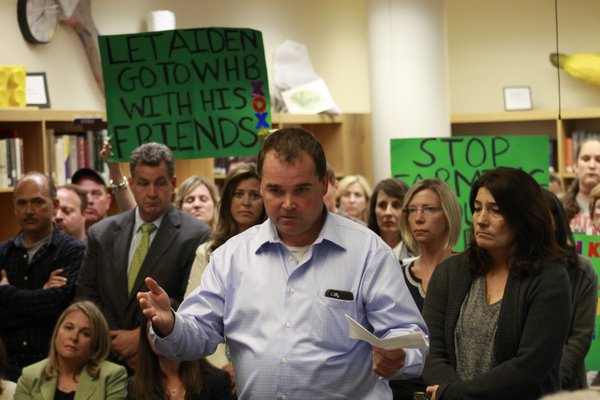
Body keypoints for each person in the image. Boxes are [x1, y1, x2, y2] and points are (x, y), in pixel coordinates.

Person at [137, 127, 429, 399]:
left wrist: (399, 355)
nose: (288, 203)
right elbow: (198, 334)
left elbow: (408, 334)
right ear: (262, 186)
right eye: (276, 190)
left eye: (301, 190)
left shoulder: (368, 252)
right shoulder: (232, 257)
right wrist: (170, 324)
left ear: (324, 184)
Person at [423, 167, 572, 400]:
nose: (481, 220)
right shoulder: (449, 272)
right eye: (477, 209)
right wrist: (455, 393)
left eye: (496, 210)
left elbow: (529, 368)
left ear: (524, 217)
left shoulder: (550, 279)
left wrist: (456, 394)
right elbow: (431, 352)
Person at [76, 142, 211, 370]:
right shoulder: (101, 233)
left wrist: (141, 338)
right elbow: (86, 295)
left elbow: (192, 301)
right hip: (105, 358)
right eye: (143, 183)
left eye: (160, 183)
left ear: (173, 184)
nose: (151, 193)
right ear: (131, 184)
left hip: (165, 362)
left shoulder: (196, 235)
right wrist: (110, 339)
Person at [0, 172, 85, 381]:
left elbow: (58, 305)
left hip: (56, 368)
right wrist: (41, 296)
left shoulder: (73, 251)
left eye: (38, 202)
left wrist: (5, 292)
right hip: (8, 367)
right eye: (22, 203)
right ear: (15, 208)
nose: (29, 211)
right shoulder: (2, 252)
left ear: (54, 205)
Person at [391, 179, 462, 399]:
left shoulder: (470, 272)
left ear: (449, 215)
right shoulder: (396, 274)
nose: (418, 218)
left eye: (429, 209)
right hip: (402, 388)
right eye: (412, 210)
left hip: (454, 388)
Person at [14, 301, 127, 399]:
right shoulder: (30, 375)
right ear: (57, 332)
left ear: (96, 344)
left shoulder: (112, 376)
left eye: (85, 333)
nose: (73, 337)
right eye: (68, 328)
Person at [544, 189, 598, 390]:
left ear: (556, 221)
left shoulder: (580, 270)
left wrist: (553, 383)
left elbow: (580, 337)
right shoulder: (510, 265)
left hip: (566, 387)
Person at [129, 315, 233, 400]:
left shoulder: (217, 381)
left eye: (163, 328)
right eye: (151, 330)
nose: (158, 336)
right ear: (145, 337)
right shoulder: (135, 386)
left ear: (182, 332)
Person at [562, 139, 600, 234]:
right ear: (575, 166)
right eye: (586, 159)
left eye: (599, 160)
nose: (592, 165)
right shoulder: (559, 208)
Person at [367, 178, 411, 261]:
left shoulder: (419, 253)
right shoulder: (364, 251)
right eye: (382, 205)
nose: (388, 212)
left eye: (396, 205)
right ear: (374, 210)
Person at [71, 167, 113, 231]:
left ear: (108, 201)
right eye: (82, 195)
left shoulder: (121, 235)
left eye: (96, 194)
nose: (89, 200)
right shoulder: (62, 238)